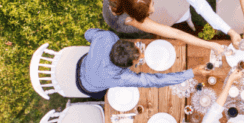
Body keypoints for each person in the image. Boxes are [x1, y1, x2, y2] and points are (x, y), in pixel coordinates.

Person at [103, 0, 224, 54]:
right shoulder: (131, 21)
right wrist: (210, 45)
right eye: (148, 12)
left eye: (152, 4)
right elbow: (176, 33)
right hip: (115, 21)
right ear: (134, 15)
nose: (153, 11)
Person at [76, 28, 207, 100]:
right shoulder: (121, 77)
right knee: (101, 95)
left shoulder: (106, 37)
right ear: (125, 67)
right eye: (137, 59)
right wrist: (193, 72)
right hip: (87, 86)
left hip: (82, 63)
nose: (142, 56)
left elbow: (88, 34)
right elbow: (155, 81)